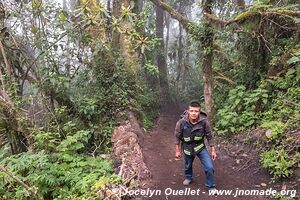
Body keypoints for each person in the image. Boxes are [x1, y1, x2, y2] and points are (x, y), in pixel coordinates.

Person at [174, 100, 217, 191]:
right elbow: (177, 136)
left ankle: (211, 186)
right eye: (192, 111)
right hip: (187, 147)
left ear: (199, 111)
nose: (194, 113)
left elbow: (209, 136)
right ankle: (188, 177)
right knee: (187, 165)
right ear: (188, 111)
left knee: (209, 167)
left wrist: (213, 150)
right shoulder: (181, 122)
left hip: (200, 147)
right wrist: (177, 151)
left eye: (196, 111)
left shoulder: (204, 122)